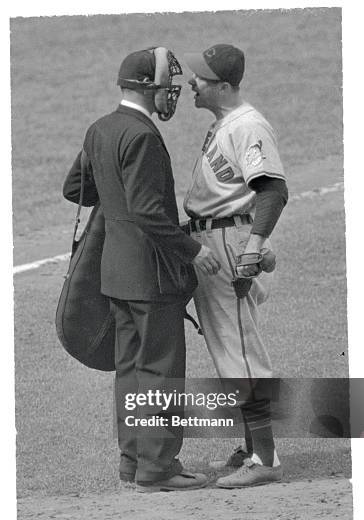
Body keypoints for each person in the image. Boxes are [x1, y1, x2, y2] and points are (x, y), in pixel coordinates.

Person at [63, 47, 220, 493]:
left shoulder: (101, 128)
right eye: (167, 88)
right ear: (148, 89)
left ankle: (131, 461)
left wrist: (114, 202)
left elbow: (74, 187)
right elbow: (151, 213)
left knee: (130, 369)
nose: (171, 95)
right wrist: (192, 251)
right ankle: (159, 467)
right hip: (151, 276)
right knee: (160, 370)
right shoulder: (142, 136)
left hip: (114, 273)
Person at [183, 44, 289, 487]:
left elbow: (273, 191)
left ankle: (264, 460)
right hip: (219, 235)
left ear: (224, 86)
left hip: (227, 242)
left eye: (201, 79)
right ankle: (254, 447)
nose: (192, 82)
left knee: (240, 352)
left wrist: (254, 245)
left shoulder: (247, 125)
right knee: (232, 348)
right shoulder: (227, 123)